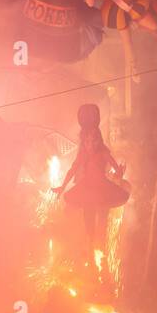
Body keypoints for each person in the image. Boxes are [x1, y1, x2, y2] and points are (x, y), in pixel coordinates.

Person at [55, 104, 129, 254]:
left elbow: (116, 170)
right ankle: (90, 244)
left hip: (103, 189)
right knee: (88, 215)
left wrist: (119, 173)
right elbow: (72, 169)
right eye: (87, 141)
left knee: (102, 216)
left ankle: (100, 245)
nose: (90, 145)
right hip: (86, 189)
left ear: (98, 140)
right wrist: (62, 187)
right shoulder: (83, 155)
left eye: (94, 141)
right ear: (84, 142)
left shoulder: (103, 153)